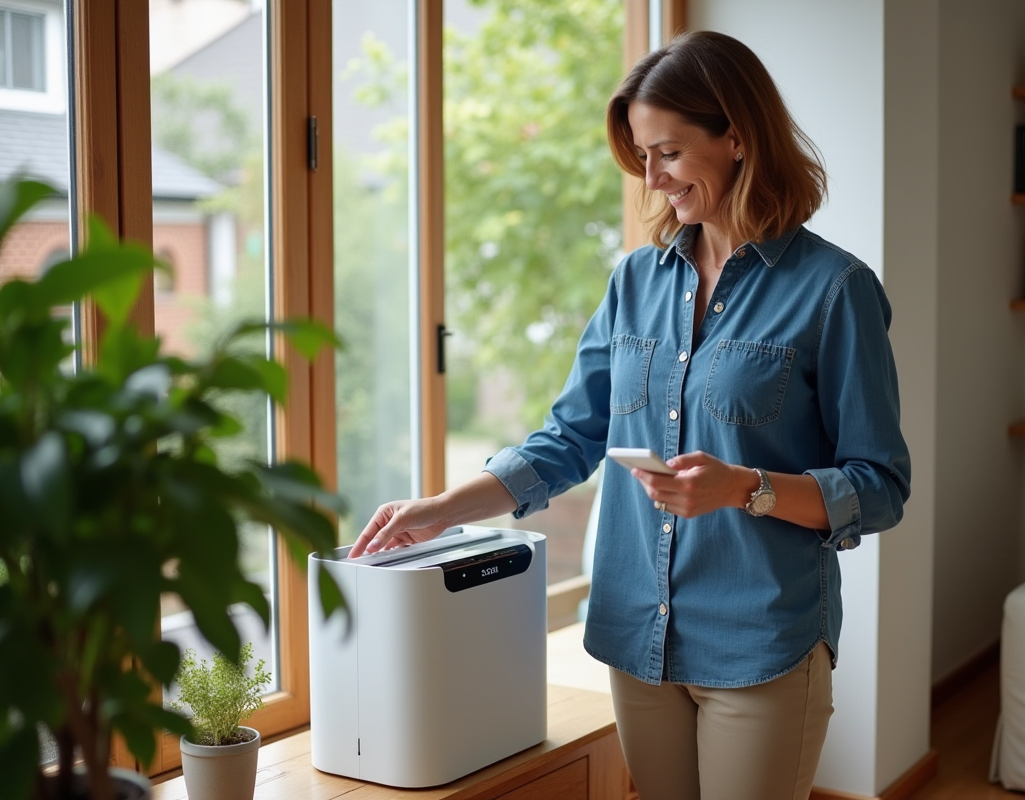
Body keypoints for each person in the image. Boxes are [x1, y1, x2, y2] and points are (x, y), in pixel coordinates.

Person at [350, 30, 910, 800]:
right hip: (635, 632)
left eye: (669, 153)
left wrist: (745, 487)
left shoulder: (835, 290)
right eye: (643, 156)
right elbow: (570, 438)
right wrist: (443, 509)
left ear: (738, 137)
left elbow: (878, 485)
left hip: (762, 641)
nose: (651, 178)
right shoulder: (637, 281)